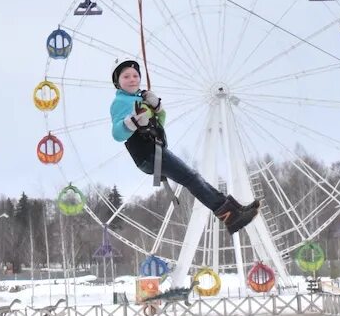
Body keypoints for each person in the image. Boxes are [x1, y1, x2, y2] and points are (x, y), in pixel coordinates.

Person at [110, 58, 259, 234]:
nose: (132, 79)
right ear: (117, 82)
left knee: (194, 177)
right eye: (126, 76)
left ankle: (234, 210)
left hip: (156, 150)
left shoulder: (142, 98)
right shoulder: (120, 102)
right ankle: (231, 217)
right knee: (191, 178)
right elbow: (117, 134)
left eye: (135, 75)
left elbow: (160, 122)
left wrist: (157, 108)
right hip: (147, 155)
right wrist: (132, 122)